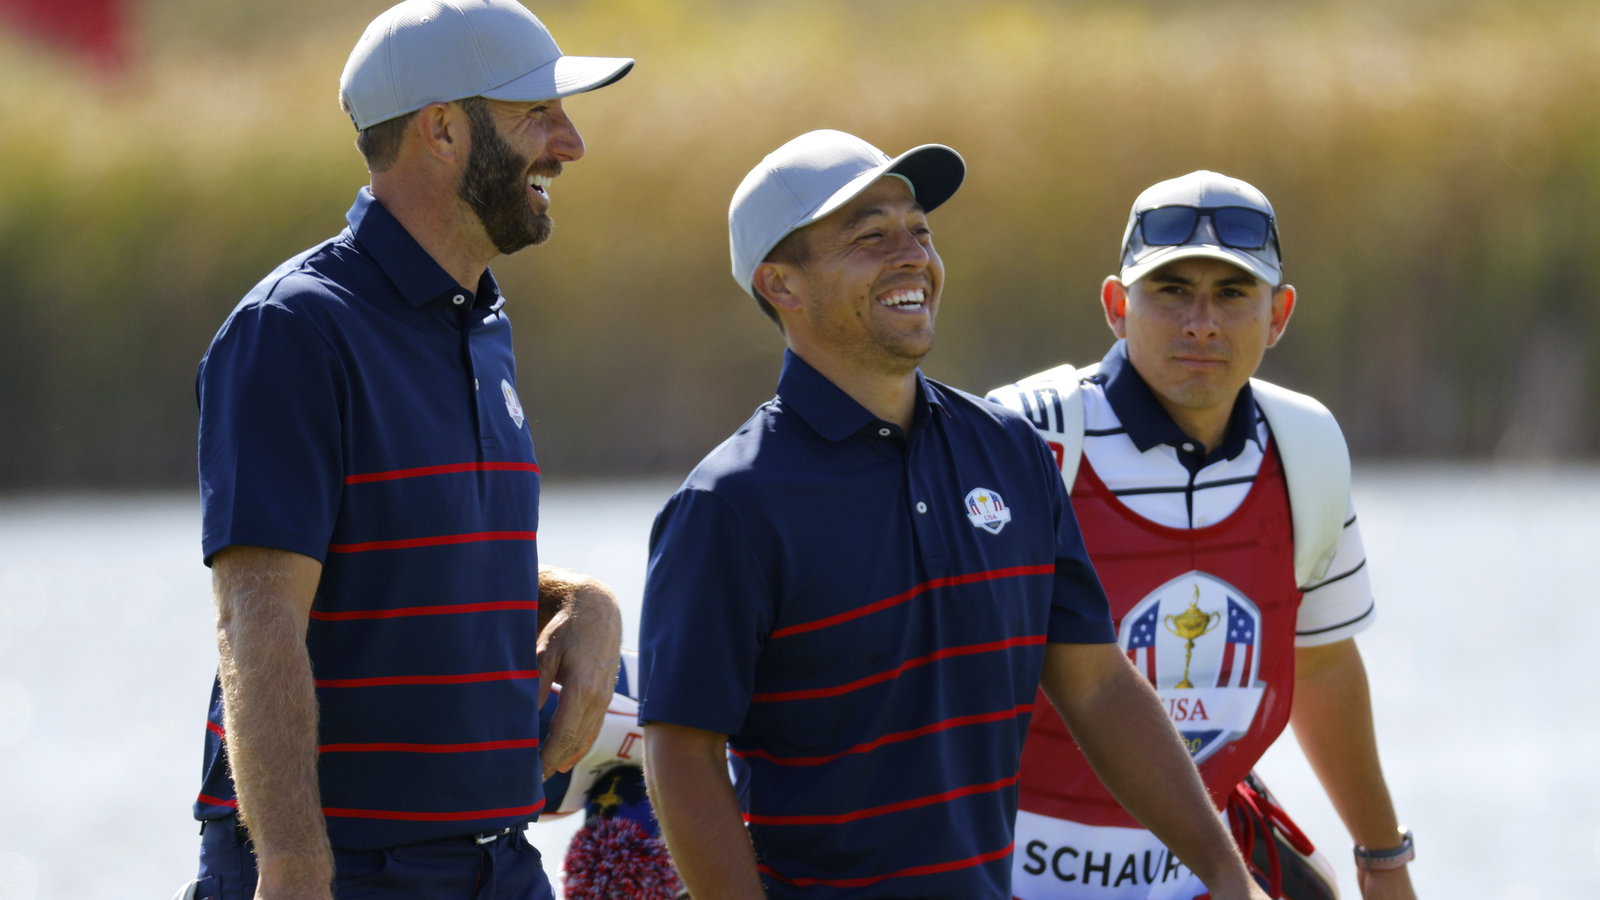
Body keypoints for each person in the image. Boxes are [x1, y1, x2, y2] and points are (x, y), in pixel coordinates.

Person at [636, 130, 1271, 900]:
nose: (913, 256)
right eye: (871, 237)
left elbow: (1099, 687)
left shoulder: (1009, 450)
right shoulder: (728, 505)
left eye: (920, 231)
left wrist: (1226, 876)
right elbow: (683, 755)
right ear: (781, 285)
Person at [187, 2, 633, 897]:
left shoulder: (482, 322)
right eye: (536, 114)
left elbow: (415, 561)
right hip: (341, 869)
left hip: (498, 859)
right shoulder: (297, 328)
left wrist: (584, 602)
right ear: (442, 130)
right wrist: (293, 867)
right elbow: (258, 621)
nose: (570, 142)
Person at [987, 171, 1417, 900]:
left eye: (1232, 294)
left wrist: (1383, 859)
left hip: (1203, 879)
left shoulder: (1304, 445)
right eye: (1172, 290)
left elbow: (1319, 665)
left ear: (1278, 315)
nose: (1201, 323)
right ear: (1117, 307)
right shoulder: (1027, 437)